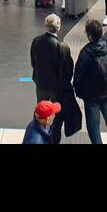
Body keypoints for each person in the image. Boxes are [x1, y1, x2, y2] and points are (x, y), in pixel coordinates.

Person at [74, 16, 107, 144]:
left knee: (93, 124)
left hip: (91, 96)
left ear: (90, 36)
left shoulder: (86, 52)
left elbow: (78, 75)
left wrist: (80, 92)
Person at [29, 14, 74, 145]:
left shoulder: (36, 41)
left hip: (41, 83)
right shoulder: (62, 47)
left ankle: (38, 133)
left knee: (41, 110)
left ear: (46, 25)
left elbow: (33, 62)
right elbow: (68, 70)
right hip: (57, 87)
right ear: (58, 27)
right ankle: (54, 140)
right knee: (56, 115)